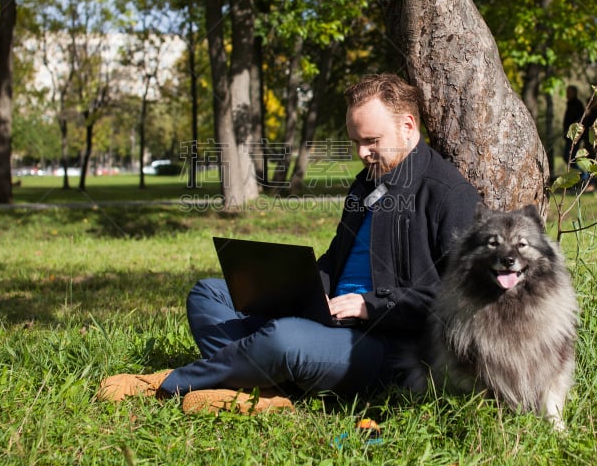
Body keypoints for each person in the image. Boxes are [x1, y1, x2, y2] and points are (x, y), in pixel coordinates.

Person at [97, 73, 482, 414]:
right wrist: (296, 289)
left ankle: (168, 383)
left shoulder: (449, 195)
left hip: (384, 345)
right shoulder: (366, 182)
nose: (362, 153)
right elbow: (337, 258)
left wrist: (369, 305)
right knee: (208, 294)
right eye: (355, 142)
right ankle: (266, 388)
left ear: (408, 127)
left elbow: (458, 301)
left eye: (371, 141)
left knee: (284, 339)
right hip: (326, 316)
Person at [562, 85, 585, 169]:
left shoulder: (577, 104)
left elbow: (581, 120)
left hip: (575, 136)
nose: (567, 94)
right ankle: (579, 174)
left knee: (569, 157)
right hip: (569, 135)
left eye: (569, 92)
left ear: (574, 93)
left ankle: (582, 174)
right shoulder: (570, 104)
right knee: (567, 157)